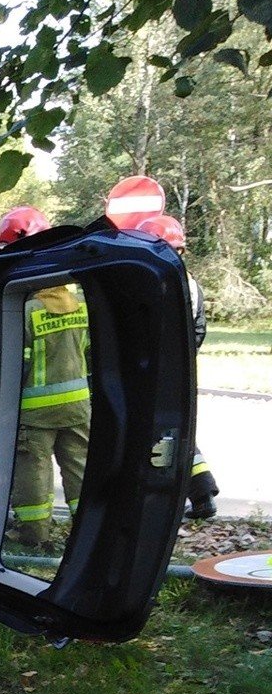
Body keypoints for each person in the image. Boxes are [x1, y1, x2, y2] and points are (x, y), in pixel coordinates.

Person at [0, 206, 92, 550]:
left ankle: (33, 536)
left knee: (33, 472)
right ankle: (86, 531)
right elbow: (90, 353)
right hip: (78, 406)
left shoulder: (25, 307)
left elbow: (15, 365)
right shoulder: (81, 302)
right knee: (79, 468)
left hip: (35, 411)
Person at [131, 211, 219, 519]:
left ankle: (155, 505)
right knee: (178, 432)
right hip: (179, 369)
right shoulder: (191, 283)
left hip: (156, 370)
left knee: (150, 432)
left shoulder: (156, 282)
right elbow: (198, 330)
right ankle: (203, 492)